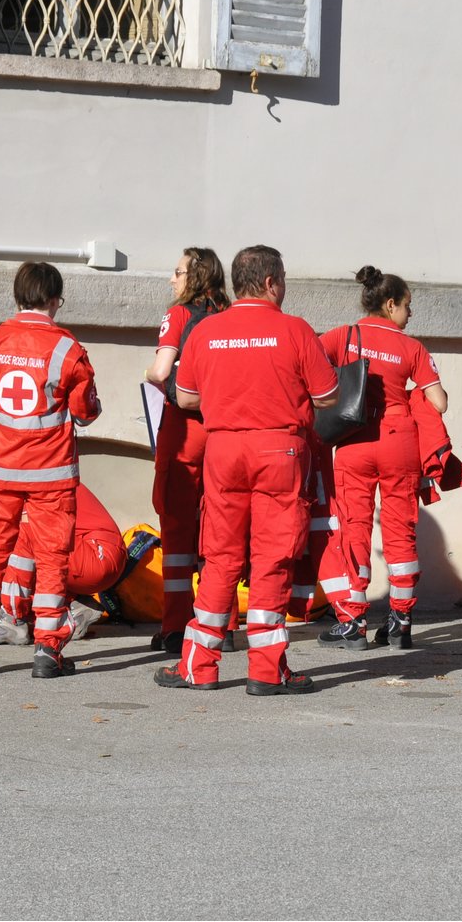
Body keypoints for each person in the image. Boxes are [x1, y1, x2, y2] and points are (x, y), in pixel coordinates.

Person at [154, 245, 337, 694]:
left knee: (219, 557)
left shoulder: (206, 330)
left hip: (223, 451)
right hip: (280, 451)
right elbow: (328, 395)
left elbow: (185, 396)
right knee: (272, 557)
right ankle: (267, 670)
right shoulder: (295, 330)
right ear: (272, 282)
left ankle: (197, 665)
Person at [0, 261, 101, 678]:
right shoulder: (67, 349)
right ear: (55, 299)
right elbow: (85, 411)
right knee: (52, 560)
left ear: (18, 295)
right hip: (50, 473)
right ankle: (47, 650)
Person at [316, 266, 446, 649]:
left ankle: (352, 621)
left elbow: (308, 368)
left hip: (354, 442)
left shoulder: (344, 336)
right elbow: (439, 402)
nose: (410, 314)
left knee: (354, 528)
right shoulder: (413, 348)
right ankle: (401, 621)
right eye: (408, 306)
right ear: (390, 304)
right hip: (399, 442)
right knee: (400, 530)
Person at [142, 248, 230, 655]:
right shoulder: (229, 317)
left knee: (178, 530)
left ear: (194, 276)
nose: (171, 280)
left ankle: (176, 627)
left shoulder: (178, 315)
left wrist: (148, 374)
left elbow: (161, 372)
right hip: (226, 431)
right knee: (221, 529)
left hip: (185, 432)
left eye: (176, 272)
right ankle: (220, 624)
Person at [0, 482, 126, 644]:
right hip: (95, 556)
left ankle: (13, 620)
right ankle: (73, 608)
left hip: (98, 555)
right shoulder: (39, 474)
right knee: (26, 551)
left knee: (24, 529)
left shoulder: (30, 482)